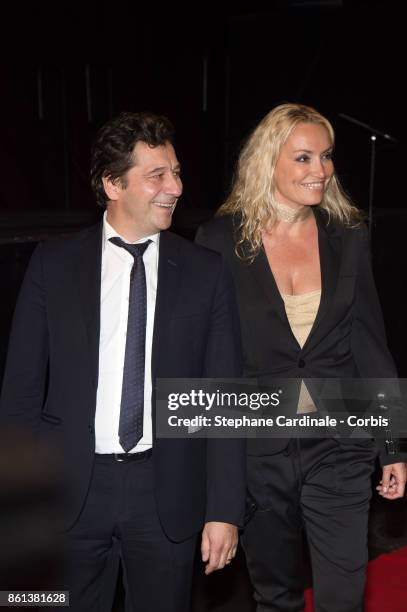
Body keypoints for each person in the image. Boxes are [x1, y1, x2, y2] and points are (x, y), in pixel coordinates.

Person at [0, 111, 246, 612]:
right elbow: (20, 395)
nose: (174, 186)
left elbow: (222, 399)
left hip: (167, 496)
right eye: (157, 175)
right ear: (113, 184)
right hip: (67, 495)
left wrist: (225, 511)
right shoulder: (53, 266)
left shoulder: (206, 273)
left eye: (176, 172)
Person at [196, 103, 407, 612]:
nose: (322, 170)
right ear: (269, 162)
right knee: (276, 594)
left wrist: (393, 443)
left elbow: (370, 344)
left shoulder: (348, 235)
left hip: (339, 443)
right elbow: (211, 361)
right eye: (304, 158)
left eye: (327, 157)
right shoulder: (220, 242)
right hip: (258, 449)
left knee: (341, 594)